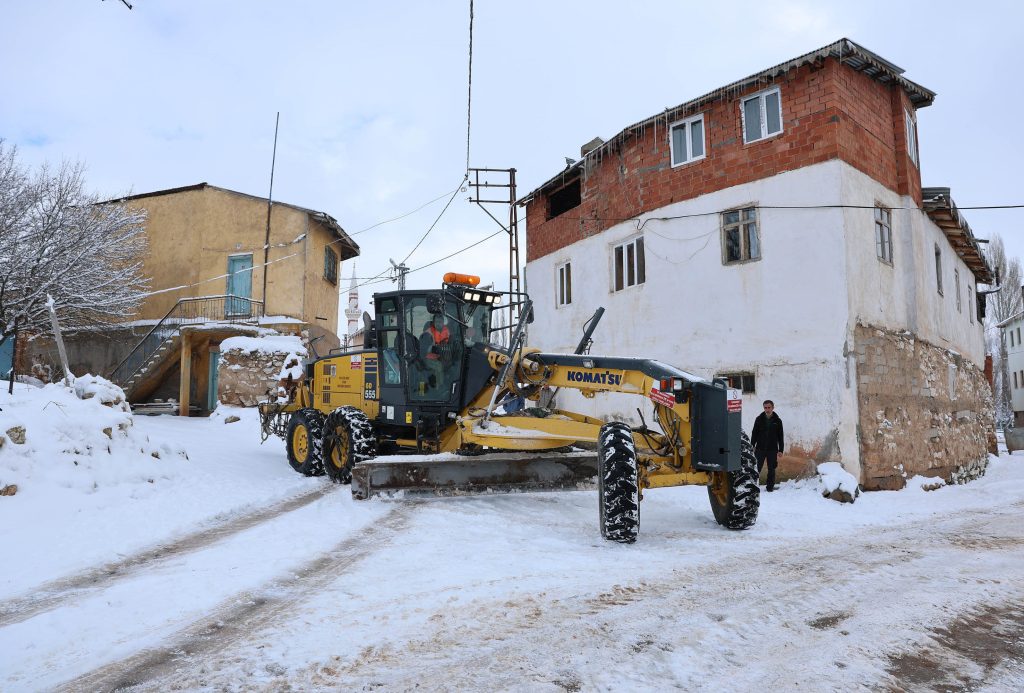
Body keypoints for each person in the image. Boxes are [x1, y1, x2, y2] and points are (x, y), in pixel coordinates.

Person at [751, 399, 784, 492]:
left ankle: (770, 487)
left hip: (772, 449)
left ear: (773, 408)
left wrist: (781, 449)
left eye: (769, 407)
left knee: (771, 469)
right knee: (756, 468)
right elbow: (754, 433)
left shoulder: (777, 421)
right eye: (765, 407)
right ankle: (754, 486)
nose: (767, 409)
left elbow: (780, 436)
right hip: (760, 449)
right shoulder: (759, 419)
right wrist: (752, 445)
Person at [419, 315, 450, 394]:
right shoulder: (428, 334)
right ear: (433, 323)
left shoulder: (446, 332)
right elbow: (424, 350)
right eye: (436, 322)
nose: (438, 324)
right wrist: (433, 349)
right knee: (439, 366)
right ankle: (439, 388)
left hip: (441, 356)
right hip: (427, 358)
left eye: (440, 322)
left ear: (443, 323)